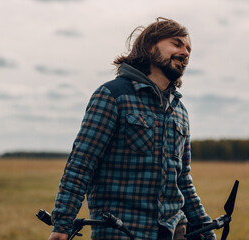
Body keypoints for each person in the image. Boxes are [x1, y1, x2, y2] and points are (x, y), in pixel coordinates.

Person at [49, 17, 216, 240]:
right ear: (150, 47)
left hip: (173, 231)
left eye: (188, 49)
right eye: (176, 44)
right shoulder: (113, 95)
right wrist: (62, 226)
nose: (185, 53)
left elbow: (182, 179)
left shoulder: (179, 110)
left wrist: (206, 228)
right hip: (122, 231)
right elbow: (82, 164)